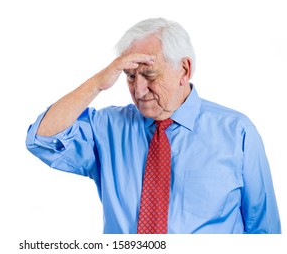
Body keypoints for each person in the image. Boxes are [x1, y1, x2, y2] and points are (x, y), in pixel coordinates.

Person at [26, 17, 281, 234]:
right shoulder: (107, 127)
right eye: (129, 76)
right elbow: (42, 139)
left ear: (184, 69)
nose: (138, 90)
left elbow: (263, 230)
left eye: (149, 75)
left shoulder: (237, 131)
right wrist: (97, 84)